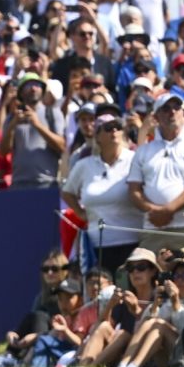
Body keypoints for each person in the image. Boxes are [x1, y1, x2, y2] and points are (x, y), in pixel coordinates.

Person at [127, 94, 184, 254]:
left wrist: (167, 211)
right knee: (142, 275)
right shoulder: (143, 151)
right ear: (156, 116)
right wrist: (153, 210)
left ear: (183, 113)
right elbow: (133, 189)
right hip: (152, 229)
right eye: (165, 108)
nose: (172, 112)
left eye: (176, 107)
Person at [61, 114, 143, 271]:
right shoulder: (84, 165)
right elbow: (67, 192)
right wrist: (81, 213)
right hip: (97, 246)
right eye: (107, 128)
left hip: (133, 244)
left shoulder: (135, 159)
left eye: (117, 127)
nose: (114, 131)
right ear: (97, 136)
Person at [114, 251, 184, 367]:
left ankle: (134, 366)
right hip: (173, 353)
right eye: (176, 276)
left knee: (159, 325)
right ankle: (124, 364)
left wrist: (176, 304)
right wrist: (155, 305)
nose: (179, 280)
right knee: (153, 323)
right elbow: (146, 324)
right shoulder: (174, 298)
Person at [78, 248, 159, 367]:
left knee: (123, 334)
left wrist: (136, 310)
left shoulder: (159, 297)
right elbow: (101, 325)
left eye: (141, 267)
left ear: (152, 271)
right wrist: (110, 305)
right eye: (131, 269)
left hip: (146, 354)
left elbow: (151, 328)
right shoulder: (125, 297)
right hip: (118, 352)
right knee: (104, 327)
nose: (135, 272)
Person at [1, 74, 65, 189]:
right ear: (20, 92)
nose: (33, 88)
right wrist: (12, 126)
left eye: (37, 85)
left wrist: (37, 125)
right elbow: (2, 151)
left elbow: (61, 146)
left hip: (46, 184)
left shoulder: (52, 113)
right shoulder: (12, 118)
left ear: (43, 90)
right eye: (29, 85)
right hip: (18, 185)